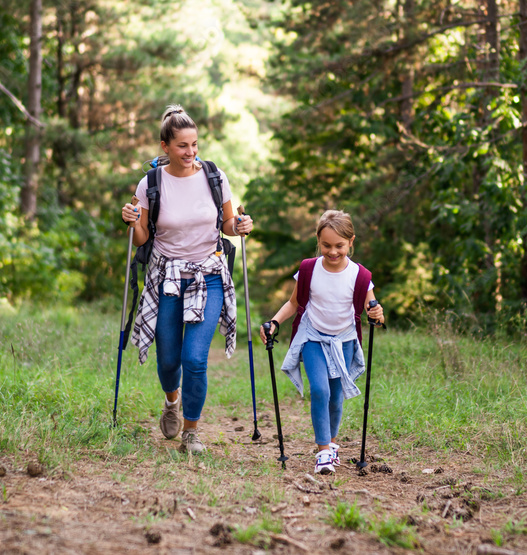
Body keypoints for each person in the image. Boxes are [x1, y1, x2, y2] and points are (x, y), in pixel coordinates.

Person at [121, 104, 253, 454]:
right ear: (165, 146)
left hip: (209, 274)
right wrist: (131, 220)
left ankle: (191, 431)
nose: (190, 152)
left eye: (194, 144)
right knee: (169, 360)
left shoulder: (214, 176)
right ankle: (171, 402)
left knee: (194, 359)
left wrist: (241, 225)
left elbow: (227, 224)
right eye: (182, 145)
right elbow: (141, 239)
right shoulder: (150, 183)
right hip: (166, 277)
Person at [261, 210, 384, 474]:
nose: (333, 251)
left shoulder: (360, 276)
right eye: (326, 245)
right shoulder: (309, 269)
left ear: (351, 241)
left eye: (339, 245)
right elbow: (294, 303)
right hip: (313, 337)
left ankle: (332, 443)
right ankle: (323, 452)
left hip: (344, 341)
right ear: (318, 240)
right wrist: (274, 322)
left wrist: (377, 313)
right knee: (320, 391)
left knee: (336, 397)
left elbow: (373, 310)